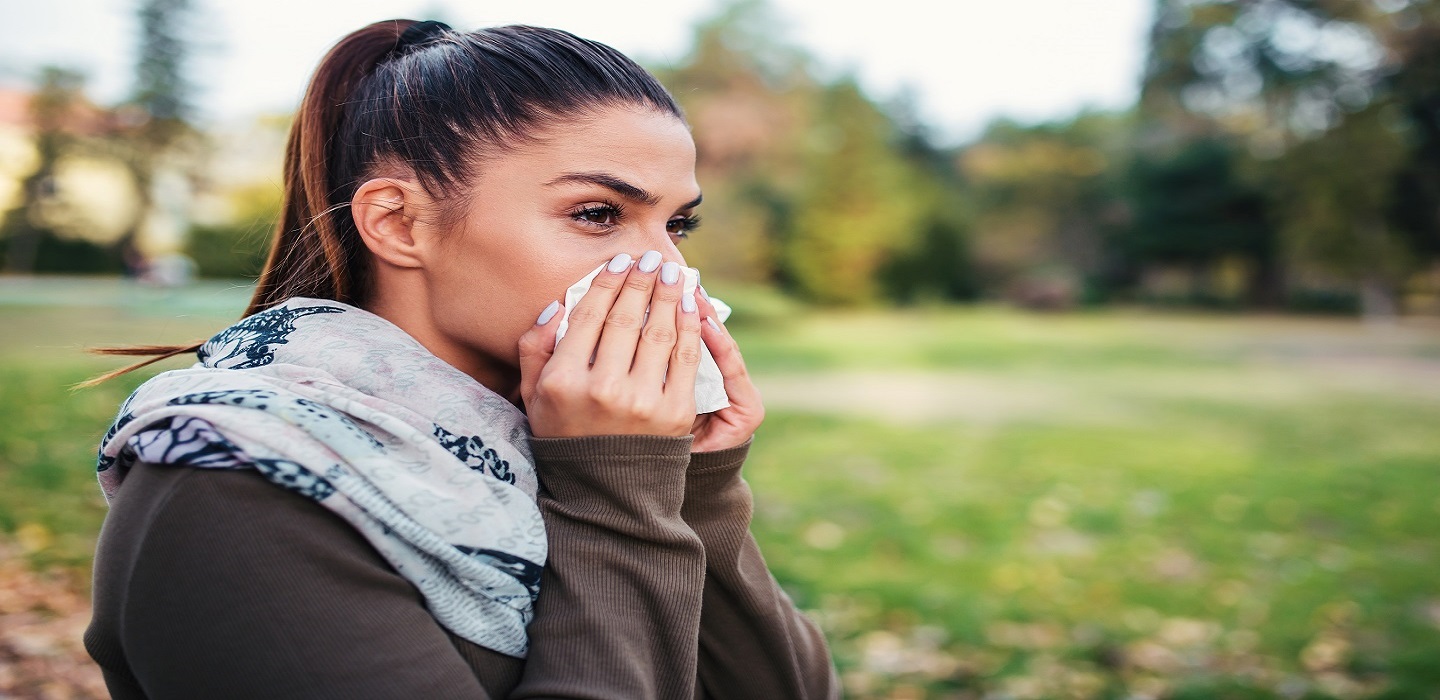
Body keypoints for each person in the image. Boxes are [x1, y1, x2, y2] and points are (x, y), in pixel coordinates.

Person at [82, 19, 839, 700]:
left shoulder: (551, 435)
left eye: (676, 226)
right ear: (398, 223)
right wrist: (617, 486)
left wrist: (697, 484)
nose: (665, 271)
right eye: (598, 214)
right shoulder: (236, 489)